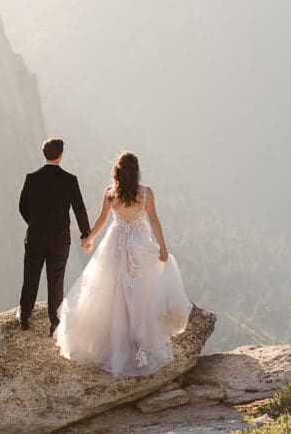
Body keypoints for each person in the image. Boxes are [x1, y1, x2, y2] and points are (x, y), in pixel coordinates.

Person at [53, 151, 192, 376]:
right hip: (139, 245)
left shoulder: (111, 193)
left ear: (117, 171)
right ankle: (138, 335)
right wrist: (163, 247)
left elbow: (101, 219)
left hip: (115, 244)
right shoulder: (145, 193)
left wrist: (89, 239)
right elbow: (154, 220)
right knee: (140, 290)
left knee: (112, 290)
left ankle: (114, 337)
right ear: (136, 171)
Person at [18, 137, 90, 336]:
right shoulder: (69, 180)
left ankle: (24, 317)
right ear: (61, 155)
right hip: (59, 239)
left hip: (35, 237)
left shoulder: (31, 178)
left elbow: (22, 206)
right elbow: (79, 209)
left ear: (44, 154)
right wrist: (85, 234)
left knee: (31, 276)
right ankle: (55, 322)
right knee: (55, 280)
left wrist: (34, 223)